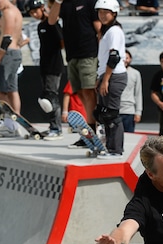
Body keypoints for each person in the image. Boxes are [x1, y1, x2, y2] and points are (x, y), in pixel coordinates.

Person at [48, 0, 101, 149]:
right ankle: (90, 133)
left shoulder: (90, 2)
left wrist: (103, 54)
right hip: (72, 55)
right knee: (80, 93)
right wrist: (57, 2)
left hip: (88, 53)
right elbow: (51, 20)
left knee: (89, 92)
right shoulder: (64, 4)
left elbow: (99, 29)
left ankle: (94, 132)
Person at [26, 0, 64, 140]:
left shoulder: (52, 23)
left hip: (54, 66)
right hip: (45, 66)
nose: (34, 14)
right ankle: (53, 126)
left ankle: (56, 128)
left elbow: (61, 43)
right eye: (31, 13)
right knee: (47, 97)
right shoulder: (41, 25)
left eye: (36, 11)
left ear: (43, 8)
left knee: (52, 96)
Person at [94, 0, 127, 157]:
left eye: (106, 12)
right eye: (100, 12)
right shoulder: (107, 30)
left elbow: (114, 57)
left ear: (114, 13)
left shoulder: (114, 31)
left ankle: (116, 150)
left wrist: (105, 79)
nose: (102, 15)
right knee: (104, 112)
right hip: (107, 75)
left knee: (111, 114)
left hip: (114, 76)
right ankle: (111, 146)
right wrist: (99, 77)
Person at [0, 0, 24, 119]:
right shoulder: (15, 11)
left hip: (8, 54)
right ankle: (15, 118)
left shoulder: (8, 12)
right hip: (13, 53)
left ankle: (11, 119)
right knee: (10, 89)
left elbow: (7, 38)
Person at [119, 50, 143, 133]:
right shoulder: (112, 72)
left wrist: (138, 112)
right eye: (123, 58)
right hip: (115, 111)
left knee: (129, 137)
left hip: (129, 112)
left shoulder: (135, 73)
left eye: (127, 58)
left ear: (130, 59)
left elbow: (138, 93)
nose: (125, 60)